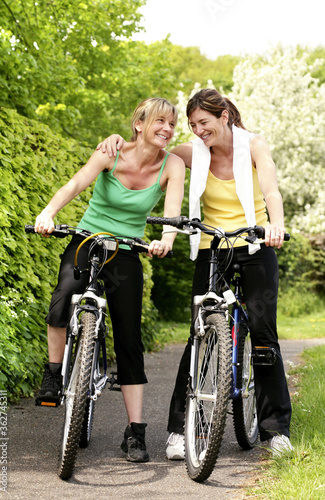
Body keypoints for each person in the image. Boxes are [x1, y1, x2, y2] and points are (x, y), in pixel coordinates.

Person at [97, 88, 293, 460]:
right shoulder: (193, 153)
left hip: (255, 245)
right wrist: (118, 139)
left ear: (224, 117)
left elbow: (271, 190)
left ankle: (275, 430)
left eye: (203, 123)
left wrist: (276, 225)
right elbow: (150, 150)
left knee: (265, 335)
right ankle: (179, 430)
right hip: (212, 248)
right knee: (199, 333)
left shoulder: (254, 146)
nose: (198, 131)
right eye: (192, 125)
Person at [34, 97, 185, 463]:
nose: (167, 128)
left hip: (128, 250)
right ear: (139, 123)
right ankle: (54, 375)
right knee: (63, 296)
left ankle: (135, 433)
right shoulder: (110, 151)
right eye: (160, 121)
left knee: (130, 339)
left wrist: (164, 241)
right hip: (87, 239)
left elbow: (172, 214)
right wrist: (49, 212)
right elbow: (75, 184)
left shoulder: (173, 165)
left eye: (171, 123)